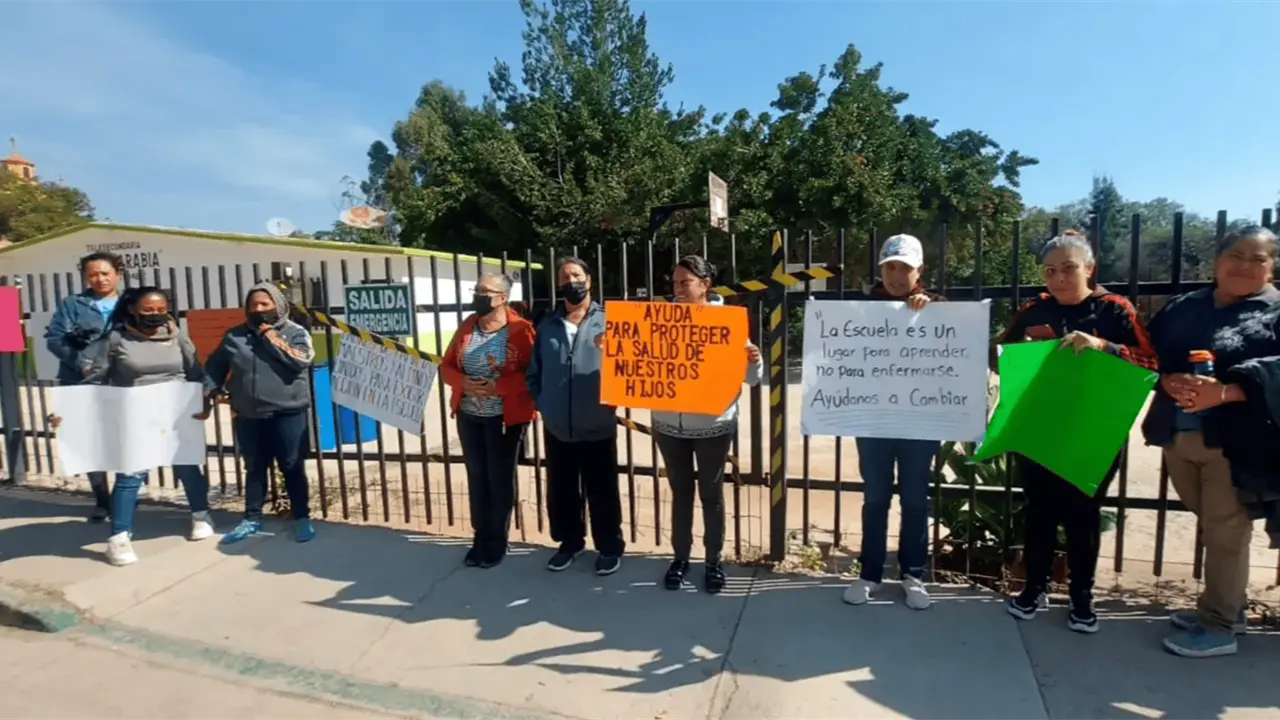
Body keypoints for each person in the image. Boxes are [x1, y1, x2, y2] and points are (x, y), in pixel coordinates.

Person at [998, 230, 1157, 633]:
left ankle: (1081, 595)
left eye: (1068, 268)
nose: (1059, 278)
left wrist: (1104, 347)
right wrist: (1024, 353)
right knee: (1039, 512)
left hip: (1094, 430)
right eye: (1050, 270)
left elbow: (1150, 364)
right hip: (1038, 427)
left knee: (1082, 515)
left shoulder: (1114, 310)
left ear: (1089, 268)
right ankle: (1033, 588)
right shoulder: (1034, 309)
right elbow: (998, 355)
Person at [1142, 225, 1280, 658]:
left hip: (1237, 441)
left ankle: (1219, 625)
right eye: (1236, 255)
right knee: (1214, 523)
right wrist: (1165, 379)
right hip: (1177, 432)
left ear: (1272, 267)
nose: (1244, 265)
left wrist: (1227, 392)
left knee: (1226, 529)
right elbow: (1146, 354)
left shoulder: (1276, 311)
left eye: (1258, 259)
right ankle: (1227, 607)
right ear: (1217, 261)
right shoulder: (1184, 306)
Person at [842, 234, 947, 610]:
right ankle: (869, 573)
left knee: (916, 499)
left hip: (920, 423)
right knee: (875, 498)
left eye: (905, 267)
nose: (897, 275)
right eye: (890, 267)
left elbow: (958, 351)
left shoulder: (940, 308)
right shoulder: (861, 309)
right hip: (873, 421)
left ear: (920, 271)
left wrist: (928, 310)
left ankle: (913, 575)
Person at [77, 287, 213, 565]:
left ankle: (201, 515)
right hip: (135, 416)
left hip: (177, 414)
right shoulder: (116, 340)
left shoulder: (177, 336)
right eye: (148, 310)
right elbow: (96, 380)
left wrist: (206, 400)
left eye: (161, 309)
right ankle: (119, 537)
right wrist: (71, 410)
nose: (155, 315)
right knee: (131, 474)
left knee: (187, 467)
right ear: (132, 310)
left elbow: (196, 372)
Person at [650, 256, 762, 594]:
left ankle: (713, 561)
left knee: (711, 494)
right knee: (680, 492)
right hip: (667, 424)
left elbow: (752, 379)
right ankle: (680, 558)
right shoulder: (658, 320)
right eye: (674, 283)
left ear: (705, 284)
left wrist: (753, 359)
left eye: (685, 282)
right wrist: (608, 349)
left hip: (713, 425)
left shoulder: (726, 322)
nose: (678, 288)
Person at [526, 257, 625, 575]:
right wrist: (544, 404)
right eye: (565, 277)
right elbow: (534, 373)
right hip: (558, 427)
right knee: (562, 491)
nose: (571, 281)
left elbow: (630, 368)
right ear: (558, 285)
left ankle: (609, 547)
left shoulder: (610, 321)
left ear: (589, 280)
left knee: (602, 491)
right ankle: (570, 543)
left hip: (597, 424)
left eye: (576, 275)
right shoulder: (547, 325)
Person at [202, 281, 316, 545]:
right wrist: (215, 391)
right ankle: (252, 518)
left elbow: (301, 360)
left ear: (279, 305)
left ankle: (302, 517)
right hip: (249, 414)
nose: (259, 309)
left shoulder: (295, 332)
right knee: (254, 467)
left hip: (287, 412)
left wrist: (270, 336)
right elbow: (213, 367)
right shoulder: (235, 336)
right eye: (253, 305)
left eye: (265, 304)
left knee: (291, 466)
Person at [441, 272, 536, 569]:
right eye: (477, 289)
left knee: (499, 478)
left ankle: (497, 540)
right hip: (469, 414)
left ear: (503, 298)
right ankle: (480, 537)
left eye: (485, 291)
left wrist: (499, 386)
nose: (478, 295)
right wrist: (461, 381)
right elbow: (446, 366)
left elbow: (533, 374)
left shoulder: (521, 330)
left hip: (504, 419)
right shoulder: (469, 325)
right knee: (477, 476)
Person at [44, 252, 124, 522]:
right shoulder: (73, 304)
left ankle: (124, 495)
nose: (100, 279)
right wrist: (82, 364)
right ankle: (102, 500)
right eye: (93, 274)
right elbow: (55, 339)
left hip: (121, 380)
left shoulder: (129, 303)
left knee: (124, 436)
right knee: (88, 440)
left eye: (105, 273)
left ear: (117, 274)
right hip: (79, 380)